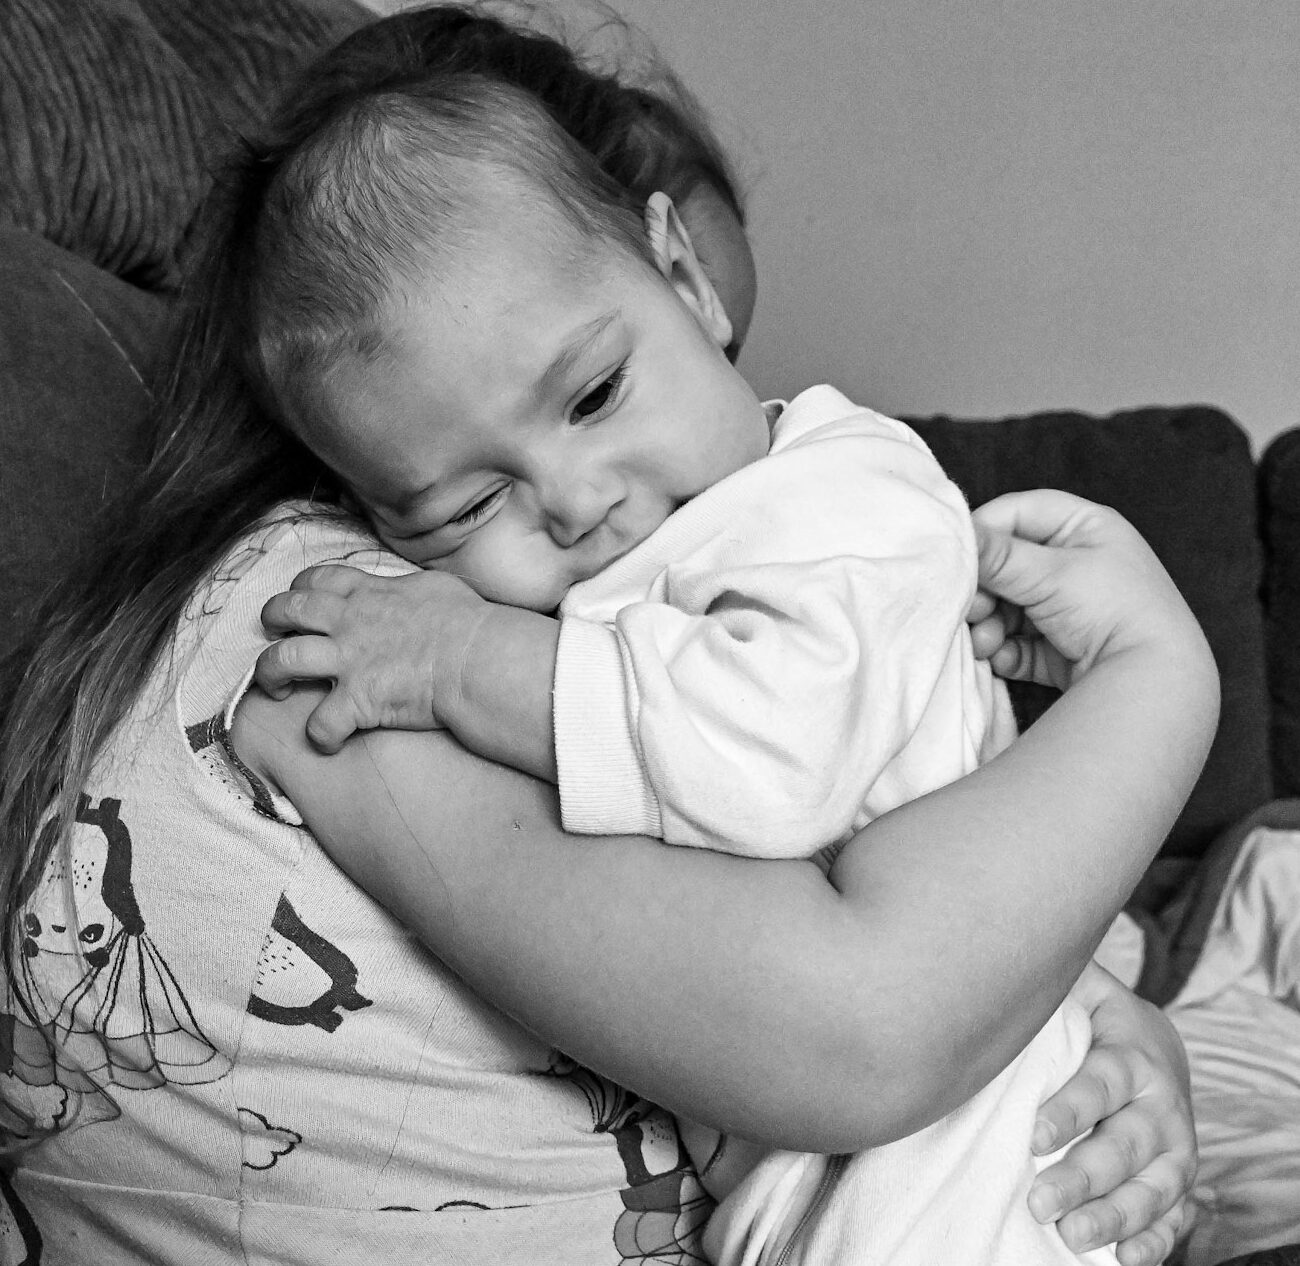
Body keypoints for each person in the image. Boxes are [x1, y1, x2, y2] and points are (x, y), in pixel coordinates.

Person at [0, 6, 1211, 1265]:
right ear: (364, 490)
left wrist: (1100, 984)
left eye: (600, 392)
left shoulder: (838, 500)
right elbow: (862, 1011)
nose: (582, 504)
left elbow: (793, 781)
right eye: (468, 501)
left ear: (676, 276)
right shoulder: (335, 620)